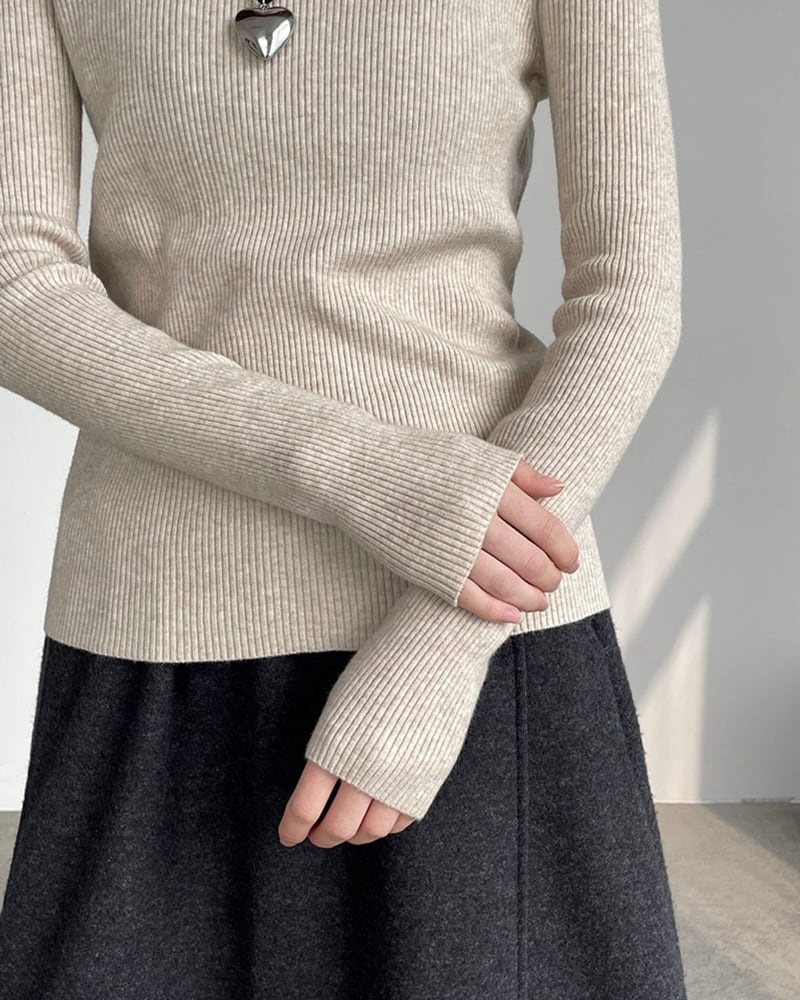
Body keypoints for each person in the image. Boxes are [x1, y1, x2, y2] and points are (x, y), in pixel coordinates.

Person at [0, 0, 689, 996]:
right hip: (156, 628)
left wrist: (440, 649)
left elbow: (629, 292)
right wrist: (365, 473)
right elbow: (16, 282)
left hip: (470, 632)